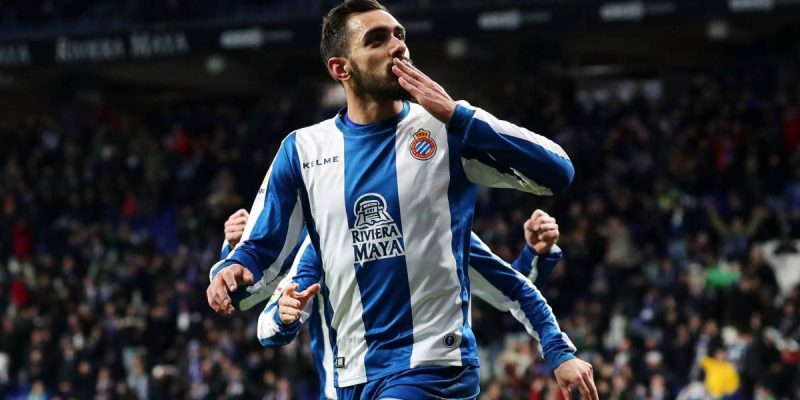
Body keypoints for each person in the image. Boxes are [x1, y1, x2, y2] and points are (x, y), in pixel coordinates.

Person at [206, 0, 595, 398]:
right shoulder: (303, 152)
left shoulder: (444, 129)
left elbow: (556, 172)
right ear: (341, 69)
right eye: (377, 40)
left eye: (399, 35)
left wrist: (457, 114)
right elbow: (256, 271)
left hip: (435, 369)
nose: (397, 47)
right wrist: (233, 265)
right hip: (349, 383)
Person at [256, 209, 570, 400]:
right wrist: (283, 317)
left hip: (425, 378)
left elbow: (510, 290)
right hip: (344, 390)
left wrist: (535, 258)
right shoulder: (323, 235)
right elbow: (265, 322)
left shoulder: (438, 223)